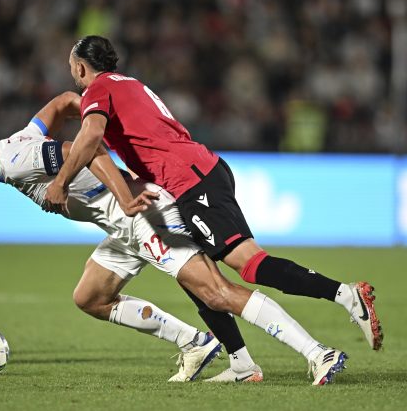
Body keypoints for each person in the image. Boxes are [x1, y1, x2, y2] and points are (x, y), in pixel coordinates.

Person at [0, 92, 349, 385]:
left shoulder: (16, 161)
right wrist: (86, 114)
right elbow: (65, 101)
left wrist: (95, 190)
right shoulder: (18, 142)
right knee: (90, 297)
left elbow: (91, 148)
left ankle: (318, 354)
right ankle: (194, 343)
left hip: (144, 215)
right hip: (121, 227)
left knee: (218, 293)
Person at [43, 35, 383, 354]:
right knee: (191, 272)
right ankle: (240, 362)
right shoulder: (129, 85)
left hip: (192, 181)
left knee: (248, 265)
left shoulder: (97, 90)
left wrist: (60, 183)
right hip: (194, 175)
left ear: (81, 67)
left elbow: (90, 138)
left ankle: (345, 295)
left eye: (72, 66)